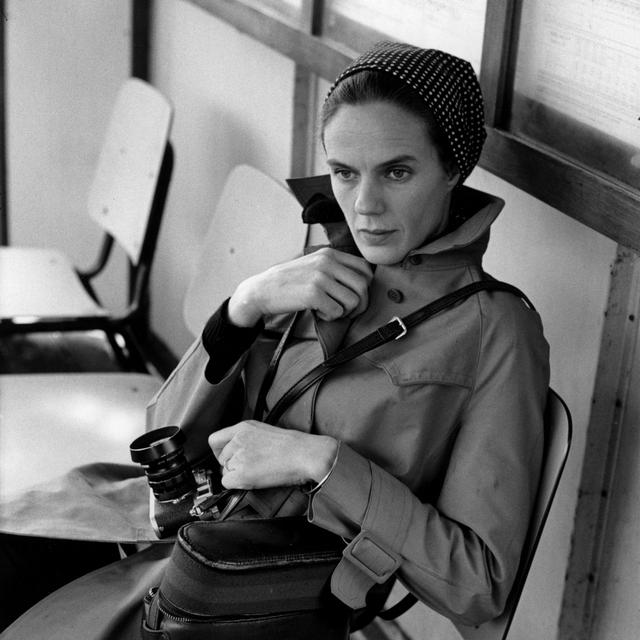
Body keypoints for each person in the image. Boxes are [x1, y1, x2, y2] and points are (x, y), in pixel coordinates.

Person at [0, 41, 549, 638]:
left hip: (251, 588)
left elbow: (479, 586)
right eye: (344, 172)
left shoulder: (497, 328)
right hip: (166, 517)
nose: (365, 206)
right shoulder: (321, 265)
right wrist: (245, 305)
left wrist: (318, 462)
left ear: (452, 169)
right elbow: (164, 436)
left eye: (397, 171)